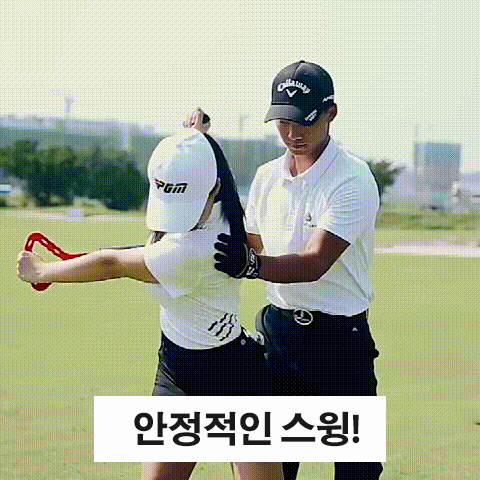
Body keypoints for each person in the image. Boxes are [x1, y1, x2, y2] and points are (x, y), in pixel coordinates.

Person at [17, 127, 283, 480]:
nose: (181, 219)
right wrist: (195, 135)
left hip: (237, 379)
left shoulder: (195, 250)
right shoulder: (227, 210)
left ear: (215, 188)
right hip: (179, 374)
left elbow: (111, 263)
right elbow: (202, 163)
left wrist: (42, 271)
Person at [209, 61, 383, 479]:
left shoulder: (352, 178)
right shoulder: (267, 176)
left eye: (305, 120)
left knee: (358, 472)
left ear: (331, 113)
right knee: (272, 467)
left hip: (341, 343)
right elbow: (251, 243)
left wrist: (251, 266)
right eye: (283, 122)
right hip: (279, 335)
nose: (293, 133)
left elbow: (315, 261)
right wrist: (202, 148)